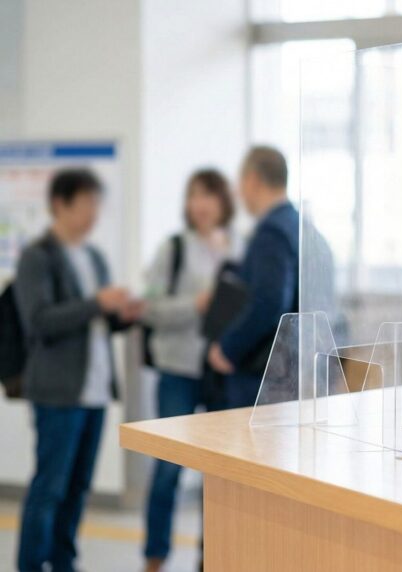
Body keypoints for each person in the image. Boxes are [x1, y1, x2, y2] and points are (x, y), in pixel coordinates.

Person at [14, 168, 143, 572]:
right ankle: (32, 564)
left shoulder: (94, 256)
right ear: (60, 205)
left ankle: (65, 561)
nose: (93, 214)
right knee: (49, 487)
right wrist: (96, 304)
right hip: (57, 391)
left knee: (78, 488)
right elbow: (38, 320)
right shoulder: (38, 257)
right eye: (85, 204)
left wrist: (124, 314)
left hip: (96, 390)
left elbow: (101, 321)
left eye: (97, 205)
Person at [141, 169, 235, 572]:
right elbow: (149, 307)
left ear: (223, 201)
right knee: (167, 469)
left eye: (209, 195)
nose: (201, 203)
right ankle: (155, 556)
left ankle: (209, 556)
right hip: (178, 370)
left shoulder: (240, 249)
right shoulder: (173, 249)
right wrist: (194, 304)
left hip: (223, 373)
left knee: (217, 473)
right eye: (194, 194)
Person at [207, 146, 298, 409]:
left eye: (240, 182)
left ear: (252, 180)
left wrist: (227, 348)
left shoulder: (271, 232)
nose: (239, 192)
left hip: (264, 373)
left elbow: (269, 301)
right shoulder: (300, 226)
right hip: (295, 372)